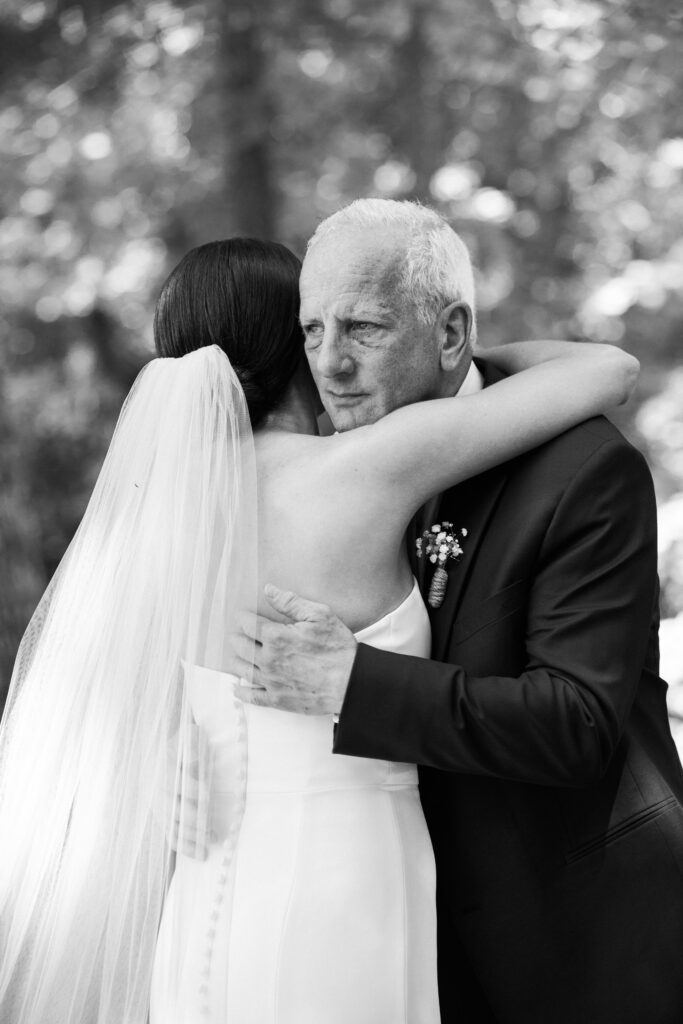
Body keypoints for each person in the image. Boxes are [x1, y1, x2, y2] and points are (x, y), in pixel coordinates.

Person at [0, 235, 638, 1024]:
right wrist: (462, 346)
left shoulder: (158, 520)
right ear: (292, 348)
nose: (332, 353)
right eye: (311, 329)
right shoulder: (364, 468)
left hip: (207, 895)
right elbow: (608, 370)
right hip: (340, 881)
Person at [236, 200, 683, 1024]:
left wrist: (351, 683)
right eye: (311, 331)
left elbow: (574, 722)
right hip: (394, 944)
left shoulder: (583, 470)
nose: (329, 365)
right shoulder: (321, 474)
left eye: (363, 328)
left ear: (449, 336)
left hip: (579, 950)